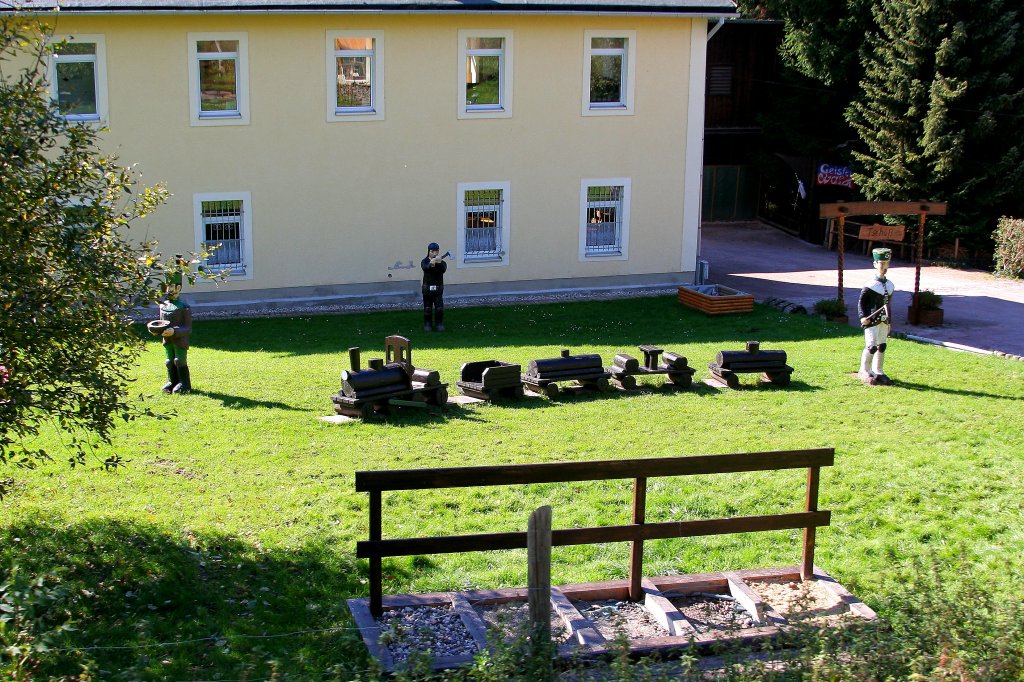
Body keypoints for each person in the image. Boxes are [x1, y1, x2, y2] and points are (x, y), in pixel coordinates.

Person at [858, 247, 896, 385]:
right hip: (872, 320)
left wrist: (889, 320)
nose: (884, 267)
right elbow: (861, 302)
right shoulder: (870, 285)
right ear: (875, 264)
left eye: (886, 263)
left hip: (884, 321)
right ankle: (864, 370)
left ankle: (878, 370)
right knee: (871, 346)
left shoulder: (890, 285)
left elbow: (888, 304)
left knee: (882, 345)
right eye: (881, 263)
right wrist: (863, 316)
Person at [158, 268, 193, 393]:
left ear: (178, 288)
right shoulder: (163, 305)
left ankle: (185, 384)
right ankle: (172, 381)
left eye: (171, 287)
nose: (168, 290)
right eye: (167, 287)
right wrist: (156, 330)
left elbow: (188, 328)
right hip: (167, 340)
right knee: (169, 361)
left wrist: (174, 331)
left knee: (179, 360)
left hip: (180, 340)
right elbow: (160, 322)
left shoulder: (184, 307)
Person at [421, 242, 447, 332]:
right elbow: (426, 268)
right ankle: (427, 324)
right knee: (427, 308)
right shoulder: (424, 261)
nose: (435, 253)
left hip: (438, 289)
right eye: (432, 251)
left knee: (439, 308)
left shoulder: (442, 262)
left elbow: (443, 270)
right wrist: (431, 264)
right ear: (429, 251)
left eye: (436, 251)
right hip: (427, 289)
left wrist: (438, 263)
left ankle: (439, 324)